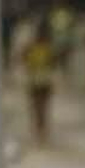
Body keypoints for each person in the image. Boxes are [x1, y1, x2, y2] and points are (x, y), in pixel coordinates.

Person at [19, 17, 58, 146]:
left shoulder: (47, 47)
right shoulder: (33, 47)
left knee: (42, 107)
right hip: (35, 80)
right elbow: (23, 59)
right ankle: (39, 129)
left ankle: (41, 129)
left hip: (43, 80)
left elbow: (53, 64)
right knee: (37, 107)